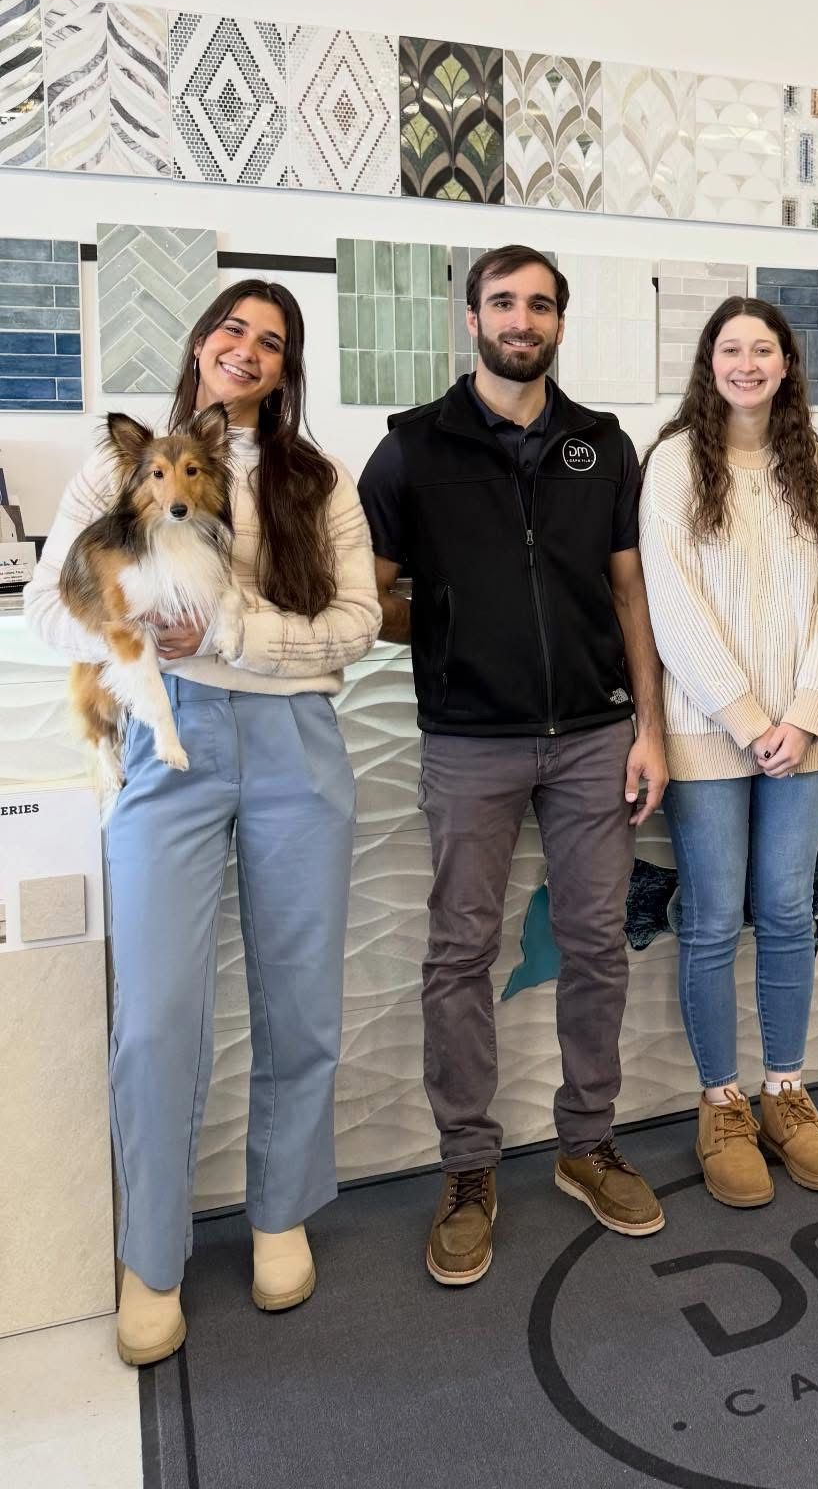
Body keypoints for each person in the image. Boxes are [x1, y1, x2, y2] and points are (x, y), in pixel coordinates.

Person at [25, 280, 381, 1366]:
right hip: (164, 750)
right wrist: (139, 627)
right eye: (233, 329)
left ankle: (279, 1216)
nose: (248, 350)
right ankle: (152, 1253)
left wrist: (230, 637)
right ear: (199, 341)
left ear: (288, 367)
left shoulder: (321, 481)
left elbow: (358, 624)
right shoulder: (120, 462)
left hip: (294, 750)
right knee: (157, 1015)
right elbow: (50, 610)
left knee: (301, 993)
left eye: (272, 342)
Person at [358, 244, 669, 1283]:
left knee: (596, 944)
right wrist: (451, 620)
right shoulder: (410, 450)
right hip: (468, 741)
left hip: (593, 736)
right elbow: (370, 598)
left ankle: (586, 1142)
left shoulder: (602, 444)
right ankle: (468, 1169)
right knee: (459, 955)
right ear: (472, 319)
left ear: (559, 326)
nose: (521, 319)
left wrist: (651, 730)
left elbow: (630, 594)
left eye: (540, 305)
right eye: (503, 302)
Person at [640, 297, 818, 1208]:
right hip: (706, 731)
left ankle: (784, 1091)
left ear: (786, 363)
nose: (747, 363)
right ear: (708, 361)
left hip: (800, 736)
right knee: (713, 915)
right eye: (730, 348)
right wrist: (743, 715)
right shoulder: (674, 463)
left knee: (785, 908)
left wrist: (801, 716)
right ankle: (722, 1102)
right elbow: (669, 601)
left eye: (762, 348)